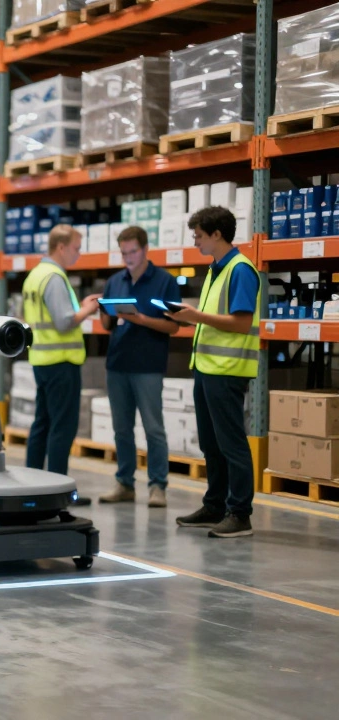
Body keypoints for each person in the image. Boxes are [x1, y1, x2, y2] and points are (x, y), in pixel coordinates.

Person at [166, 207, 260, 538]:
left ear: (216, 234)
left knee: (231, 443)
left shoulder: (241, 270)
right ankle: (215, 505)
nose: (196, 242)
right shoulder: (215, 270)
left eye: (199, 236)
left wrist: (195, 316)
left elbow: (241, 322)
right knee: (210, 443)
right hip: (207, 368)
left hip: (228, 369)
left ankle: (240, 513)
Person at [97, 227, 180, 507]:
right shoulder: (114, 282)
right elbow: (107, 325)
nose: (128, 258)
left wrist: (142, 320)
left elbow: (173, 325)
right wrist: (106, 312)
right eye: (124, 253)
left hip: (148, 365)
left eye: (133, 251)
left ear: (145, 249)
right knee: (122, 428)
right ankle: (125, 483)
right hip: (118, 363)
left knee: (153, 428)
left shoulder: (164, 282)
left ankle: (158, 486)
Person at [22, 225, 101, 500]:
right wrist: (87, 310)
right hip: (61, 362)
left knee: (42, 424)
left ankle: (31, 485)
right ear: (61, 247)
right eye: (77, 248)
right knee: (62, 427)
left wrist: (77, 309)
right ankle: (58, 492)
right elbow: (65, 321)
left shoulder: (34, 276)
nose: (78, 254)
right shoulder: (54, 277)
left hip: (42, 360)